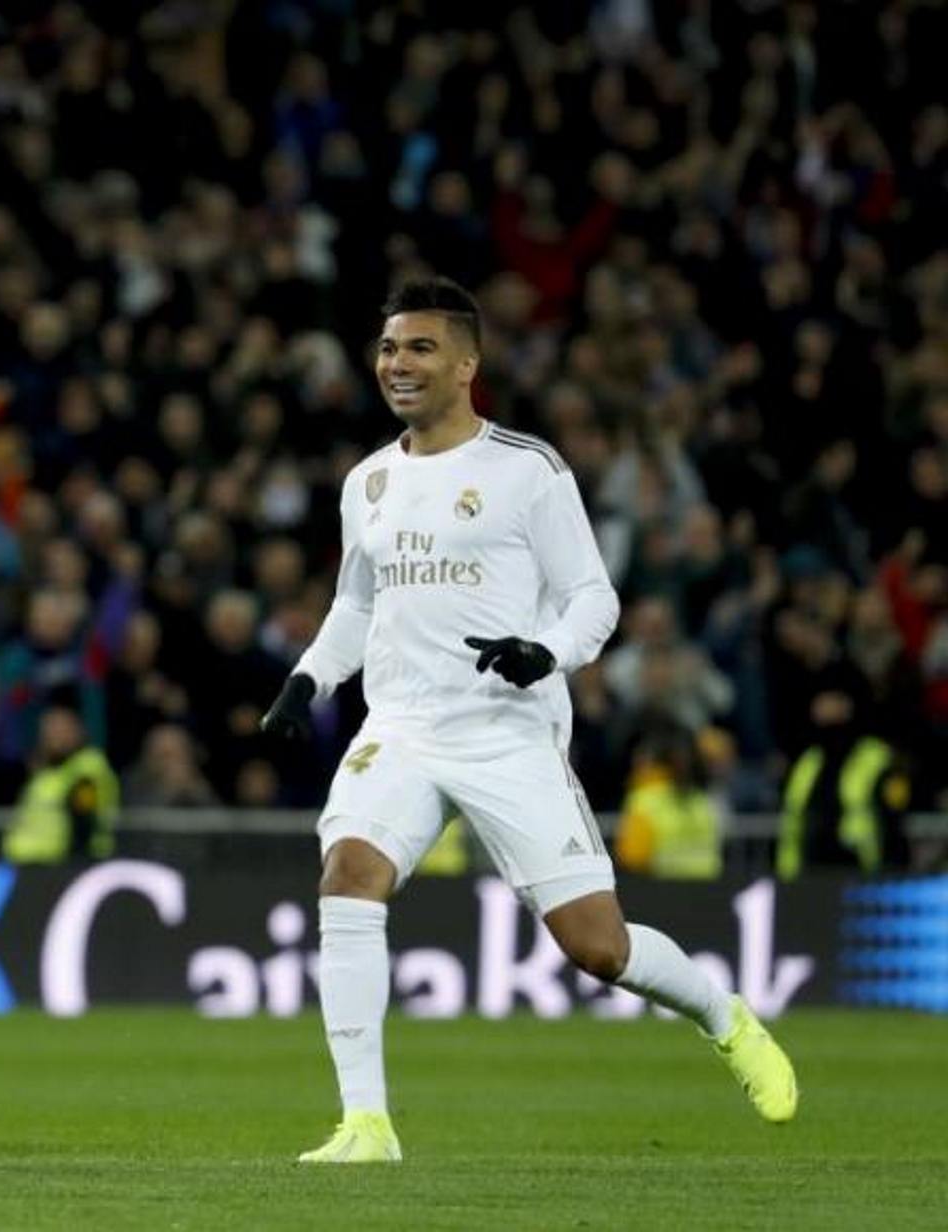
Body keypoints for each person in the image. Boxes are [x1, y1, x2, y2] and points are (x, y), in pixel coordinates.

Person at [261, 277, 797, 1164]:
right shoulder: (369, 481)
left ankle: (719, 1012)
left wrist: (546, 653)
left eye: (421, 348)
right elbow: (357, 604)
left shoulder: (526, 470)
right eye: (390, 347)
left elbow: (595, 597)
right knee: (349, 877)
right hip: (400, 724)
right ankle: (367, 1126)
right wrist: (307, 681)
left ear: (467, 364)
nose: (398, 363)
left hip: (506, 729)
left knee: (599, 948)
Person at [777, 681, 911, 878]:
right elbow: (793, 818)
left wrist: (891, 870)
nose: (822, 708)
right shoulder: (809, 761)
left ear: (847, 705)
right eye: (819, 701)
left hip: (864, 871)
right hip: (810, 872)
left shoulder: (876, 756)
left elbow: (893, 820)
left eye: (830, 700)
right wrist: (787, 874)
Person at [2, 704, 120, 863]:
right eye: (48, 728)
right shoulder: (47, 772)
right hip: (29, 864)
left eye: (58, 728)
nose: (50, 735)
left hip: (61, 865)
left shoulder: (87, 767)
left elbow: (83, 821)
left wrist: (73, 867)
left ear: (77, 730)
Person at [614, 722, 725, 880]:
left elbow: (632, 859)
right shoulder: (702, 801)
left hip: (682, 893)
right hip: (685, 892)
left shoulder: (644, 800)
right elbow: (632, 859)